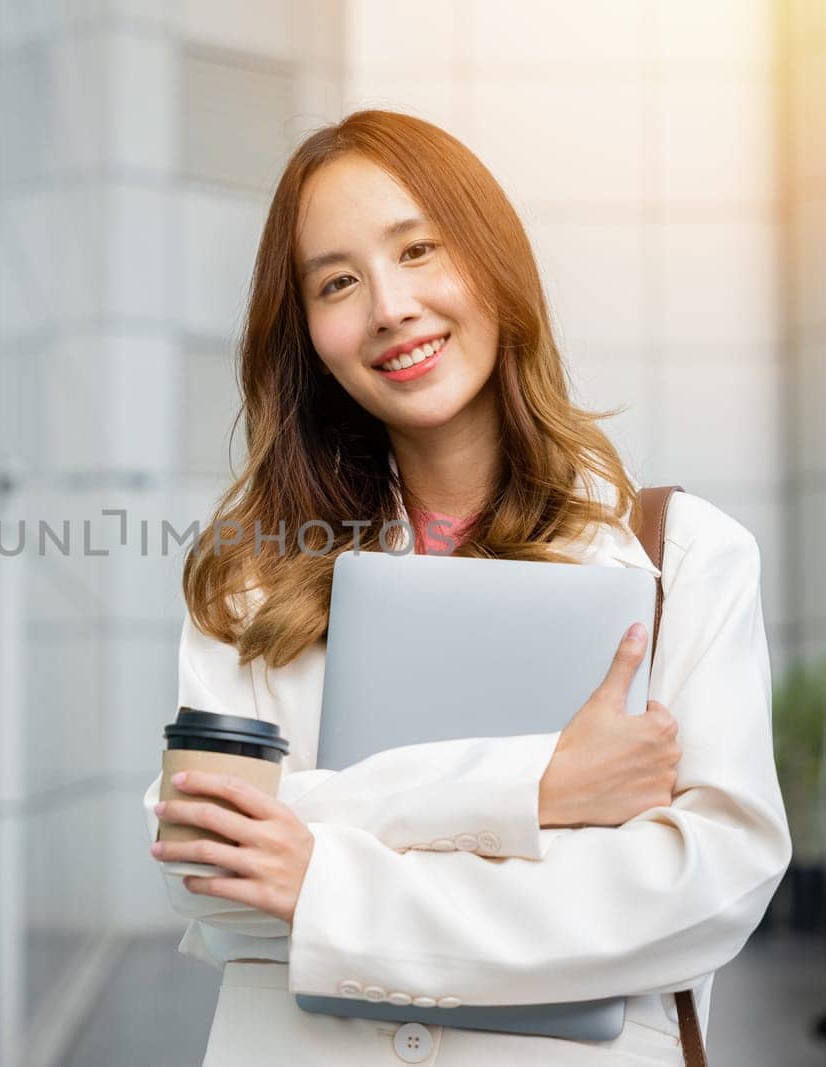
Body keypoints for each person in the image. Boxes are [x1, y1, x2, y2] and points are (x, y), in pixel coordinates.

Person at [142, 110, 790, 1066]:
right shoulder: (251, 579)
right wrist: (535, 790)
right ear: (308, 335)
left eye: (418, 251)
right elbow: (206, 871)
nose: (390, 307)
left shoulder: (684, 559)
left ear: (494, 263)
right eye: (338, 282)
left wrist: (317, 866)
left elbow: (707, 890)